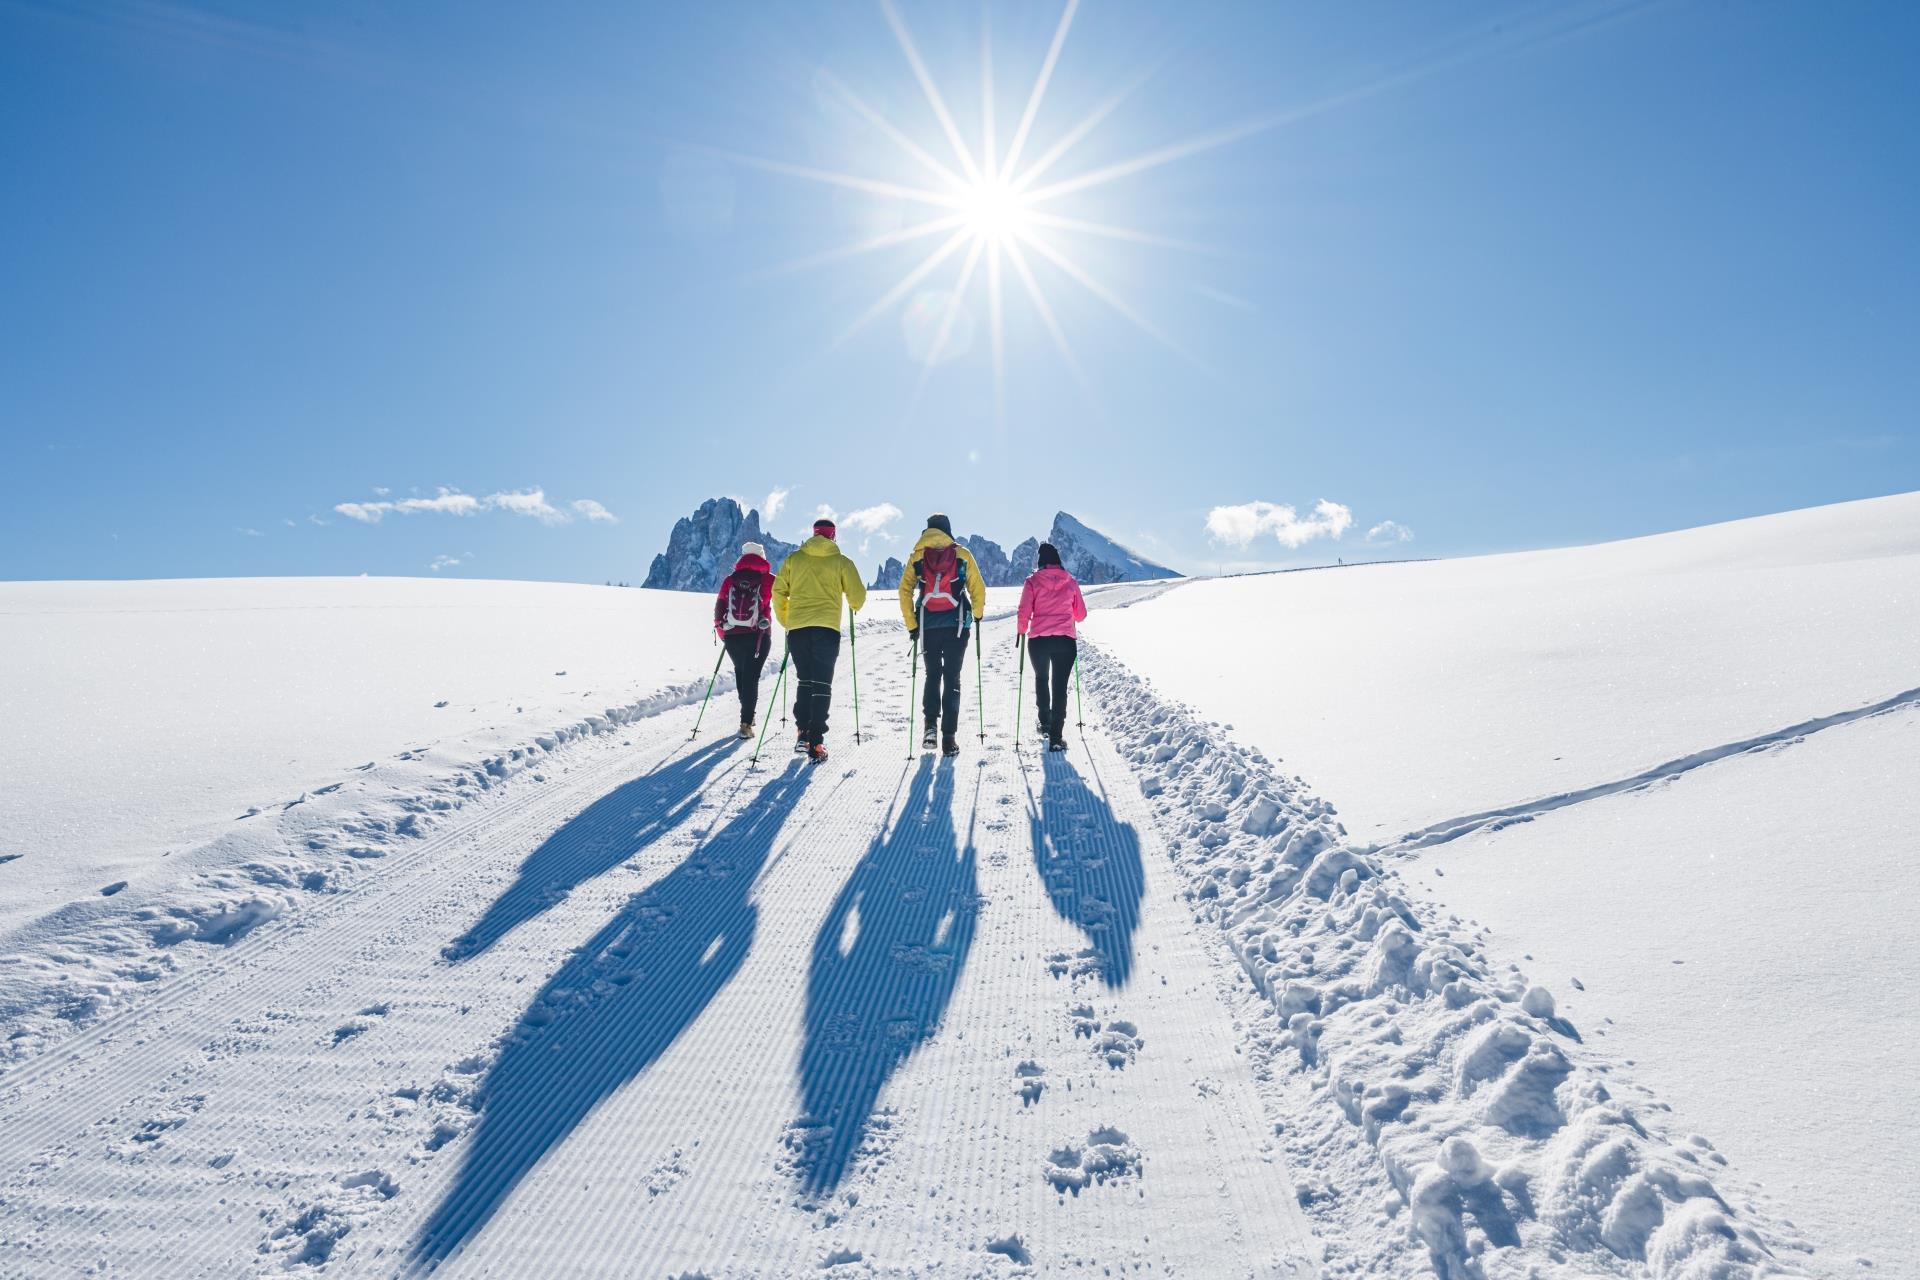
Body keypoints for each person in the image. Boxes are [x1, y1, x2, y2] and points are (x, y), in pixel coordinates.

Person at [773, 517, 867, 763]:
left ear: (814, 534)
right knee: (822, 684)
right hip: (826, 628)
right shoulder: (841, 562)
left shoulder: (794, 559)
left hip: (798, 629)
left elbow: (778, 591)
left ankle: (802, 733)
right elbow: (858, 596)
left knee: (805, 681)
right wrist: (855, 604)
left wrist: (787, 620)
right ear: (833, 536)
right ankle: (816, 742)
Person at [898, 513, 986, 757]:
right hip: (957, 626)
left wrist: (912, 625)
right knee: (952, 677)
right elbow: (977, 587)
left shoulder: (917, 556)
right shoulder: (962, 554)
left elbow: (904, 592)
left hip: (928, 626)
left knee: (932, 674)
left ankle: (929, 728)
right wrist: (977, 615)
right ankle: (949, 738)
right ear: (948, 530)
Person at [1015, 541, 1087, 752]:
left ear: (1041, 563)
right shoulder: (1071, 581)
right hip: (1065, 640)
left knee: (1041, 678)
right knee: (1060, 687)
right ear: (1058, 562)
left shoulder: (1032, 581)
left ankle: (1044, 723)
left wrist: (1021, 630)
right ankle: (1056, 736)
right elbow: (1080, 615)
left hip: (1038, 640)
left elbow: (1024, 610)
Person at [713, 541, 774, 739]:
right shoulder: (770, 579)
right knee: (752, 677)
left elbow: (720, 606)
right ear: (762, 557)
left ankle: (747, 713)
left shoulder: (730, 579)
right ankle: (746, 722)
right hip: (759, 635)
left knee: (741, 672)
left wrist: (724, 634)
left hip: (732, 636)